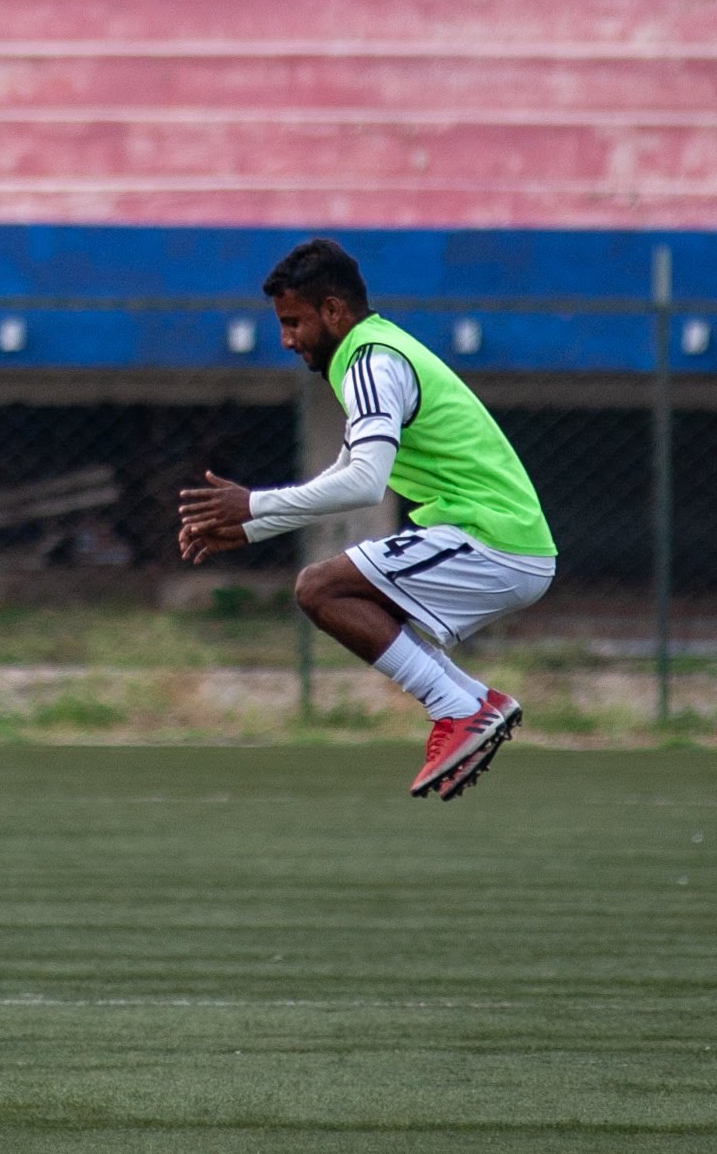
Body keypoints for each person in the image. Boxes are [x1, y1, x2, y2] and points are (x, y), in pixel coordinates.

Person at [178, 235, 557, 798]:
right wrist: (253, 527)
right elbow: (345, 469)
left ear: (333, 311)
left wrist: (253, 504)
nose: (285, 340)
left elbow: (363, 484)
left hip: (495, 542)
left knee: (320, 589)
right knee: (343, 594)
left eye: (293, 322)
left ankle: (459, 707)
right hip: (497, 541)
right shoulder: (375, 352)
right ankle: (474, 704)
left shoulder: (371, 360)